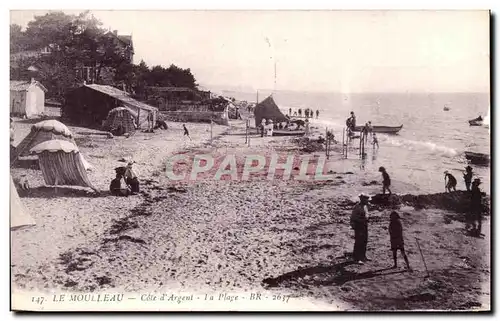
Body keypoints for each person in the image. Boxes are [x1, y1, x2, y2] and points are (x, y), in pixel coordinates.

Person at [350, 194, 371, 264]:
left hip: (364, 225)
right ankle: (356, 258)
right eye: (366, 199)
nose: (367, 200)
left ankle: (363, 256)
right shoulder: (357, 207)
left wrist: (367, 219)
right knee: (359, 242)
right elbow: (353, 217)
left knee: (364, 241)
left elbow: (367, 215)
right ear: (362, 199)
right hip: (359, 226)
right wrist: (354, 225)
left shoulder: (365, 206)